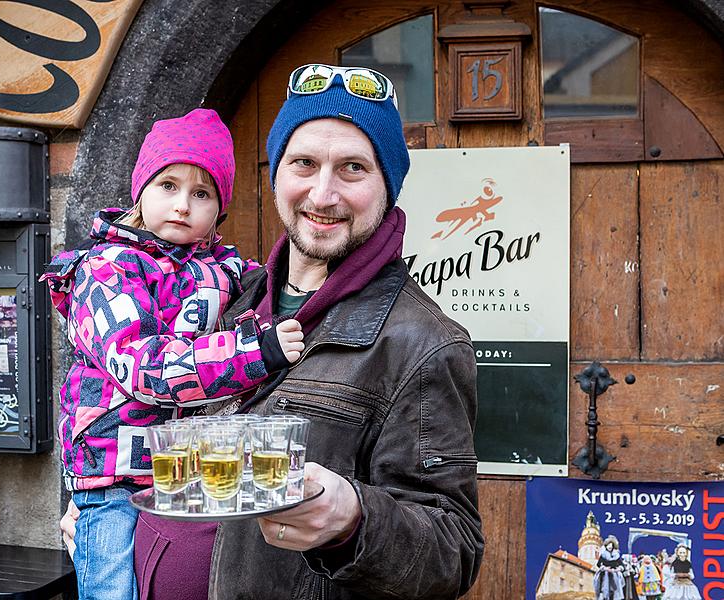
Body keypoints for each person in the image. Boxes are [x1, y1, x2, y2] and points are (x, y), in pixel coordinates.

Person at [63, 64, 483, 599]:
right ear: (278, 174)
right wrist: (106, 509)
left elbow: (454, 552)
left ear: (387, 186)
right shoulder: (224, 297)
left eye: (352, 168)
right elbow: (148, 402)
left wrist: (353, 519)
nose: (323, 194)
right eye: (304, 163)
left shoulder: (421, 342)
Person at [41, 108, 304, 600]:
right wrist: (256, 354)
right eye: (168, 185)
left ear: (219, 209)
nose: (182, 205)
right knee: (114, 591)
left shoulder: (224, 270)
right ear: (141, 188)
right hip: (111, 471)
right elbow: (145, 368)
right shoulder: (106, 269)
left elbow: (274, 295)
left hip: (186, 470)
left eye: (201, 193)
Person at [595, 535, 626, 600]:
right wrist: (604, 568)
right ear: (606, 546)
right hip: (605, 574)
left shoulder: (616, 555)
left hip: (615, 574)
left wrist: (618, 569)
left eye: (611, 545)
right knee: (605, 589)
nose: (610, 546)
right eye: (608, 545)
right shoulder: (603, 555)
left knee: (615, 590)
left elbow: (622, 565)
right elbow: (598, 564)